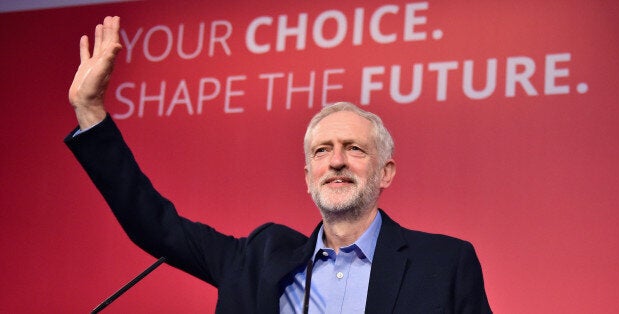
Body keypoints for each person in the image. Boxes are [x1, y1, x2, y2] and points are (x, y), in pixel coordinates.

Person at [65, 16, 492, 313]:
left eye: (354, 149)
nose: (337, 161)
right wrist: (89, 110)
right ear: (309, 178)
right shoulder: (258, 259)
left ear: (386, 172)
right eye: (322, 151)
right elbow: (153, 223)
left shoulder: (444, 263)